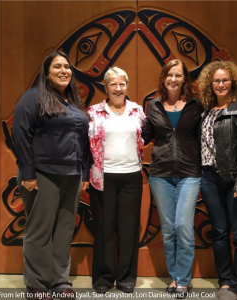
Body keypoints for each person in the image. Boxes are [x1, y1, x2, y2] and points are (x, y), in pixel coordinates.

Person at [12, 51, 89, 300]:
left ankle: (60, 283)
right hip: (42, 174)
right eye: (57, 66)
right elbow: (21, 135)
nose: (64, 70)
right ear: (47, 72)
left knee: (65, 229)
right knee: (40, 230)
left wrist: (84, 172)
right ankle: (37, 284)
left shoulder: (73, 102)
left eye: (67, 67)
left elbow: (83, 142)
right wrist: (28, 173)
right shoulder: (32, 98)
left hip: (72, 174)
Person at [197, 61, 237, 300]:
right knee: (220, 232)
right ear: (209, 84)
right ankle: (225, 281)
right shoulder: (206, 111)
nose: (221, 84)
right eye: (216, 80)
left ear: (233, 81)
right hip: (211, 179)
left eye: (225, 80)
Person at [142, 59, 203, 299]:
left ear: (184, 79)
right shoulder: (153, 105)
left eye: (178, 75)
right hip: (160, 175)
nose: (173, 79)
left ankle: (184, 281)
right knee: (168, 230)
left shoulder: (196, 106)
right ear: (163, 78)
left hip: (189, 173)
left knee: (183, 227)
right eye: (169, 75)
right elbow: (146, 135)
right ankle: (175, 278)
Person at [88, 67, 145, 294]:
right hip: (103, 178)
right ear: (105, 87)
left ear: (127, 87)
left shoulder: (137, 110)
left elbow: (146, 136)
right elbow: (85, 145)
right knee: (103, 229)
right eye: (113, 84)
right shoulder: (94, 112)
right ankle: (103, 277)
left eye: (122, 84)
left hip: (131, 176)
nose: (118, 88)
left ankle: (126, 278)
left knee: (128, 229)